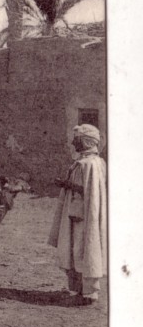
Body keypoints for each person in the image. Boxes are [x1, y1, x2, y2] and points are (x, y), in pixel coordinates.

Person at [47, 124, 107, 306]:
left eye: (77, 140)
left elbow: (85, 190)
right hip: (83, 211)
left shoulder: (87, 164)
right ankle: (81, 289)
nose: (73, 142)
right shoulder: (95, 162)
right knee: (78, 246)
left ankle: (88, 293)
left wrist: (66, 184)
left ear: (86, 142)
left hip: (81, 213)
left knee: (82, 247)